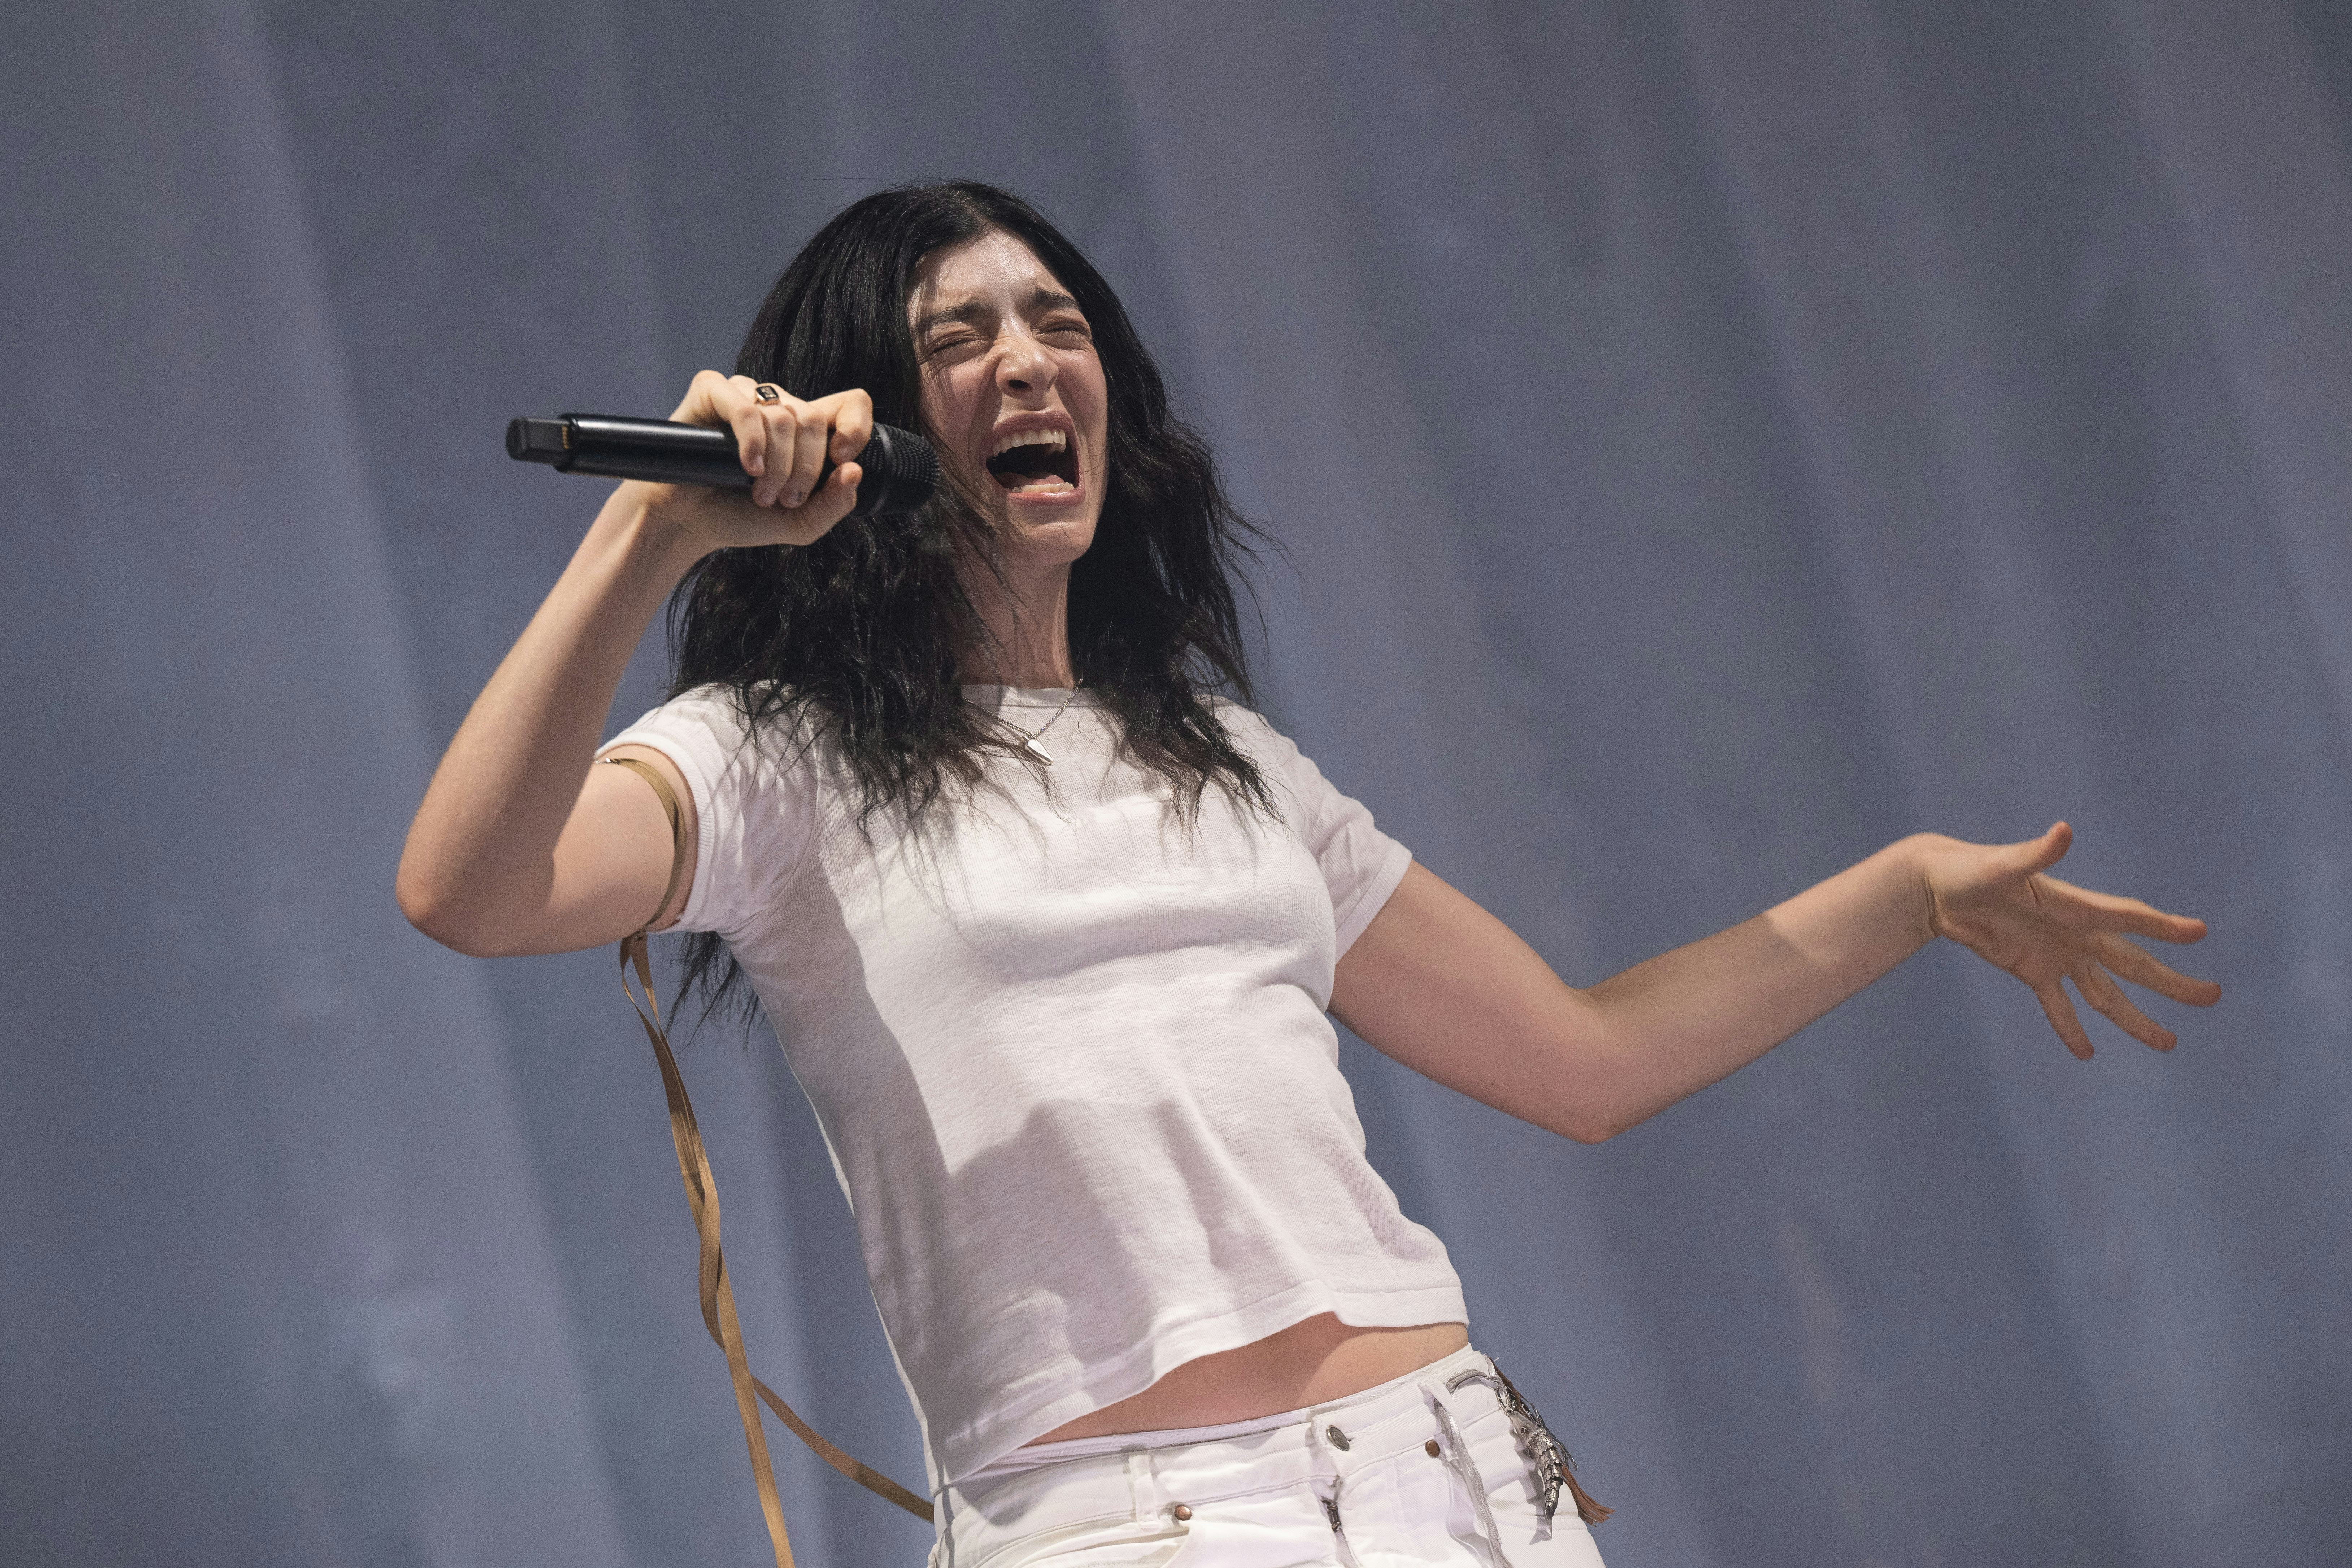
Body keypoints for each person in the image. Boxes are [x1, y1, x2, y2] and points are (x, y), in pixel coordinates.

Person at [395, 181, 2220, 1568]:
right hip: (1129, 1521)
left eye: (1057, 320)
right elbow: (470, 890)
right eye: (960, 338)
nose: (1029, 360)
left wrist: (1904, 889)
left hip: (1455, 1486)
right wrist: (651, 525)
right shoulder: (774, 756)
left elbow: (1581, 1062)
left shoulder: (1227, 763)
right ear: (865, 420)